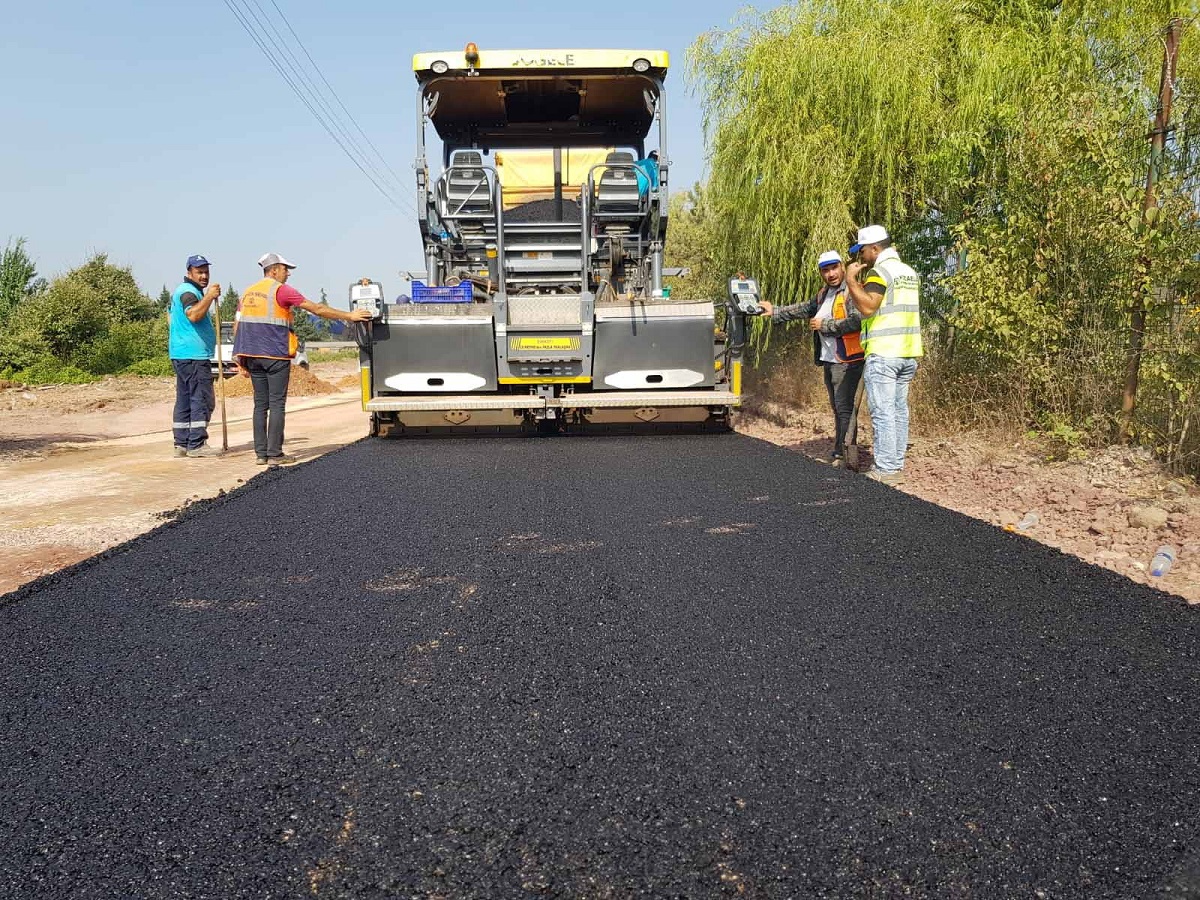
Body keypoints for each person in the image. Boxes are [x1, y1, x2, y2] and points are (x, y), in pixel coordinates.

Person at [232, 253, 373, 467]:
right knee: (277, 403)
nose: (287, 273)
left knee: (260, 404)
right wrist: (349, 316)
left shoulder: (248, 292)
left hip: (251, 355)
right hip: (274, 354)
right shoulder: (281, 290)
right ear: (274, 270)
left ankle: (261, 454)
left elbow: (238, 324)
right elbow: (317, 309)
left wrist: (239, 358)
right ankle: (275, 454)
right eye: (285, 269)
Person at [759, 250, 864, 465]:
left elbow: (857, 321)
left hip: (848, 360)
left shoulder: (851, 292)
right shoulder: (824, 294)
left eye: (834, 268)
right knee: (838, 407)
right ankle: (841, 451)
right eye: (825, 270)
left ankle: (846, 456)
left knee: (844, 407)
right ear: (820, 273)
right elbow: (804, 308)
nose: (831, 273)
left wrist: (824, 325)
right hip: (830, 360)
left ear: (843, 267)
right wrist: (775, 311)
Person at [844, 225, 923, 485]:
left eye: (863, 251)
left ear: (875, 248)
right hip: (908, 353)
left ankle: (886, 469)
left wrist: (851, 281)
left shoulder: (880, 272)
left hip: (885, 352)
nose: (862, 257)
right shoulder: (908, 272)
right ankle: (895, 464)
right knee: (899, 410)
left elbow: (868, 307)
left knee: (883, 411)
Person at [168, 254, 221, 458]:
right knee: (202, 398)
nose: (204, 276)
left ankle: (181, 443)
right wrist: (209, 296)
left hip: (182, 354)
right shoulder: (188, 293)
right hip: (193, 356)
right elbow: (194, 315)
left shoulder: (188, 291)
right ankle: (196, 443)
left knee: (185, 399)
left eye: (206, 272)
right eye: (199, 272)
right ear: (189, 272)